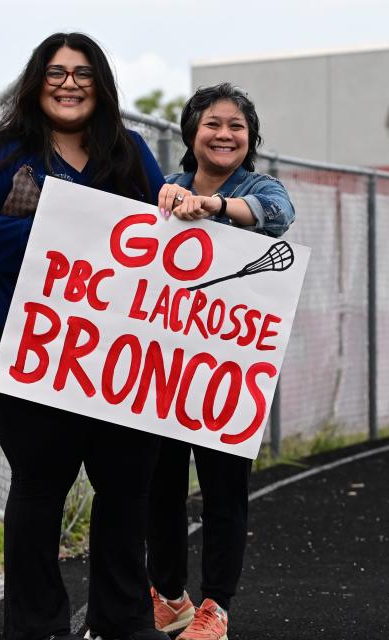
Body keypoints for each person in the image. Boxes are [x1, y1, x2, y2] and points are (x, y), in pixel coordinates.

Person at [0, 33, 169, 640]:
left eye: (84, 73)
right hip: (17, 342)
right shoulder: (3, 151)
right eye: (57, 72)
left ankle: (125, 624)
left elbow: (163, 238)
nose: (70, 83)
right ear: (37, 80)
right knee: (42, 479)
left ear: (102, 84)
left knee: (125, 480)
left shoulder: (129, 151)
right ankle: (36, 628)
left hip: (114, 349)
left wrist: (180, 205)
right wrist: (58, 236)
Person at [148, 83, 296, 640]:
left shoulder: (260, 187)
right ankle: (168, 595)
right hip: (161, 365)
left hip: (226, 368)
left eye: (237, 125)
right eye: (213, 123)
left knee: (223, 490)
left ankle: (216, 608)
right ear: (192, 132)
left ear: (250, 137)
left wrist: (212, 206)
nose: (225, 134)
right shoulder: (162, 188)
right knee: (157, 486)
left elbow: (277, 216)